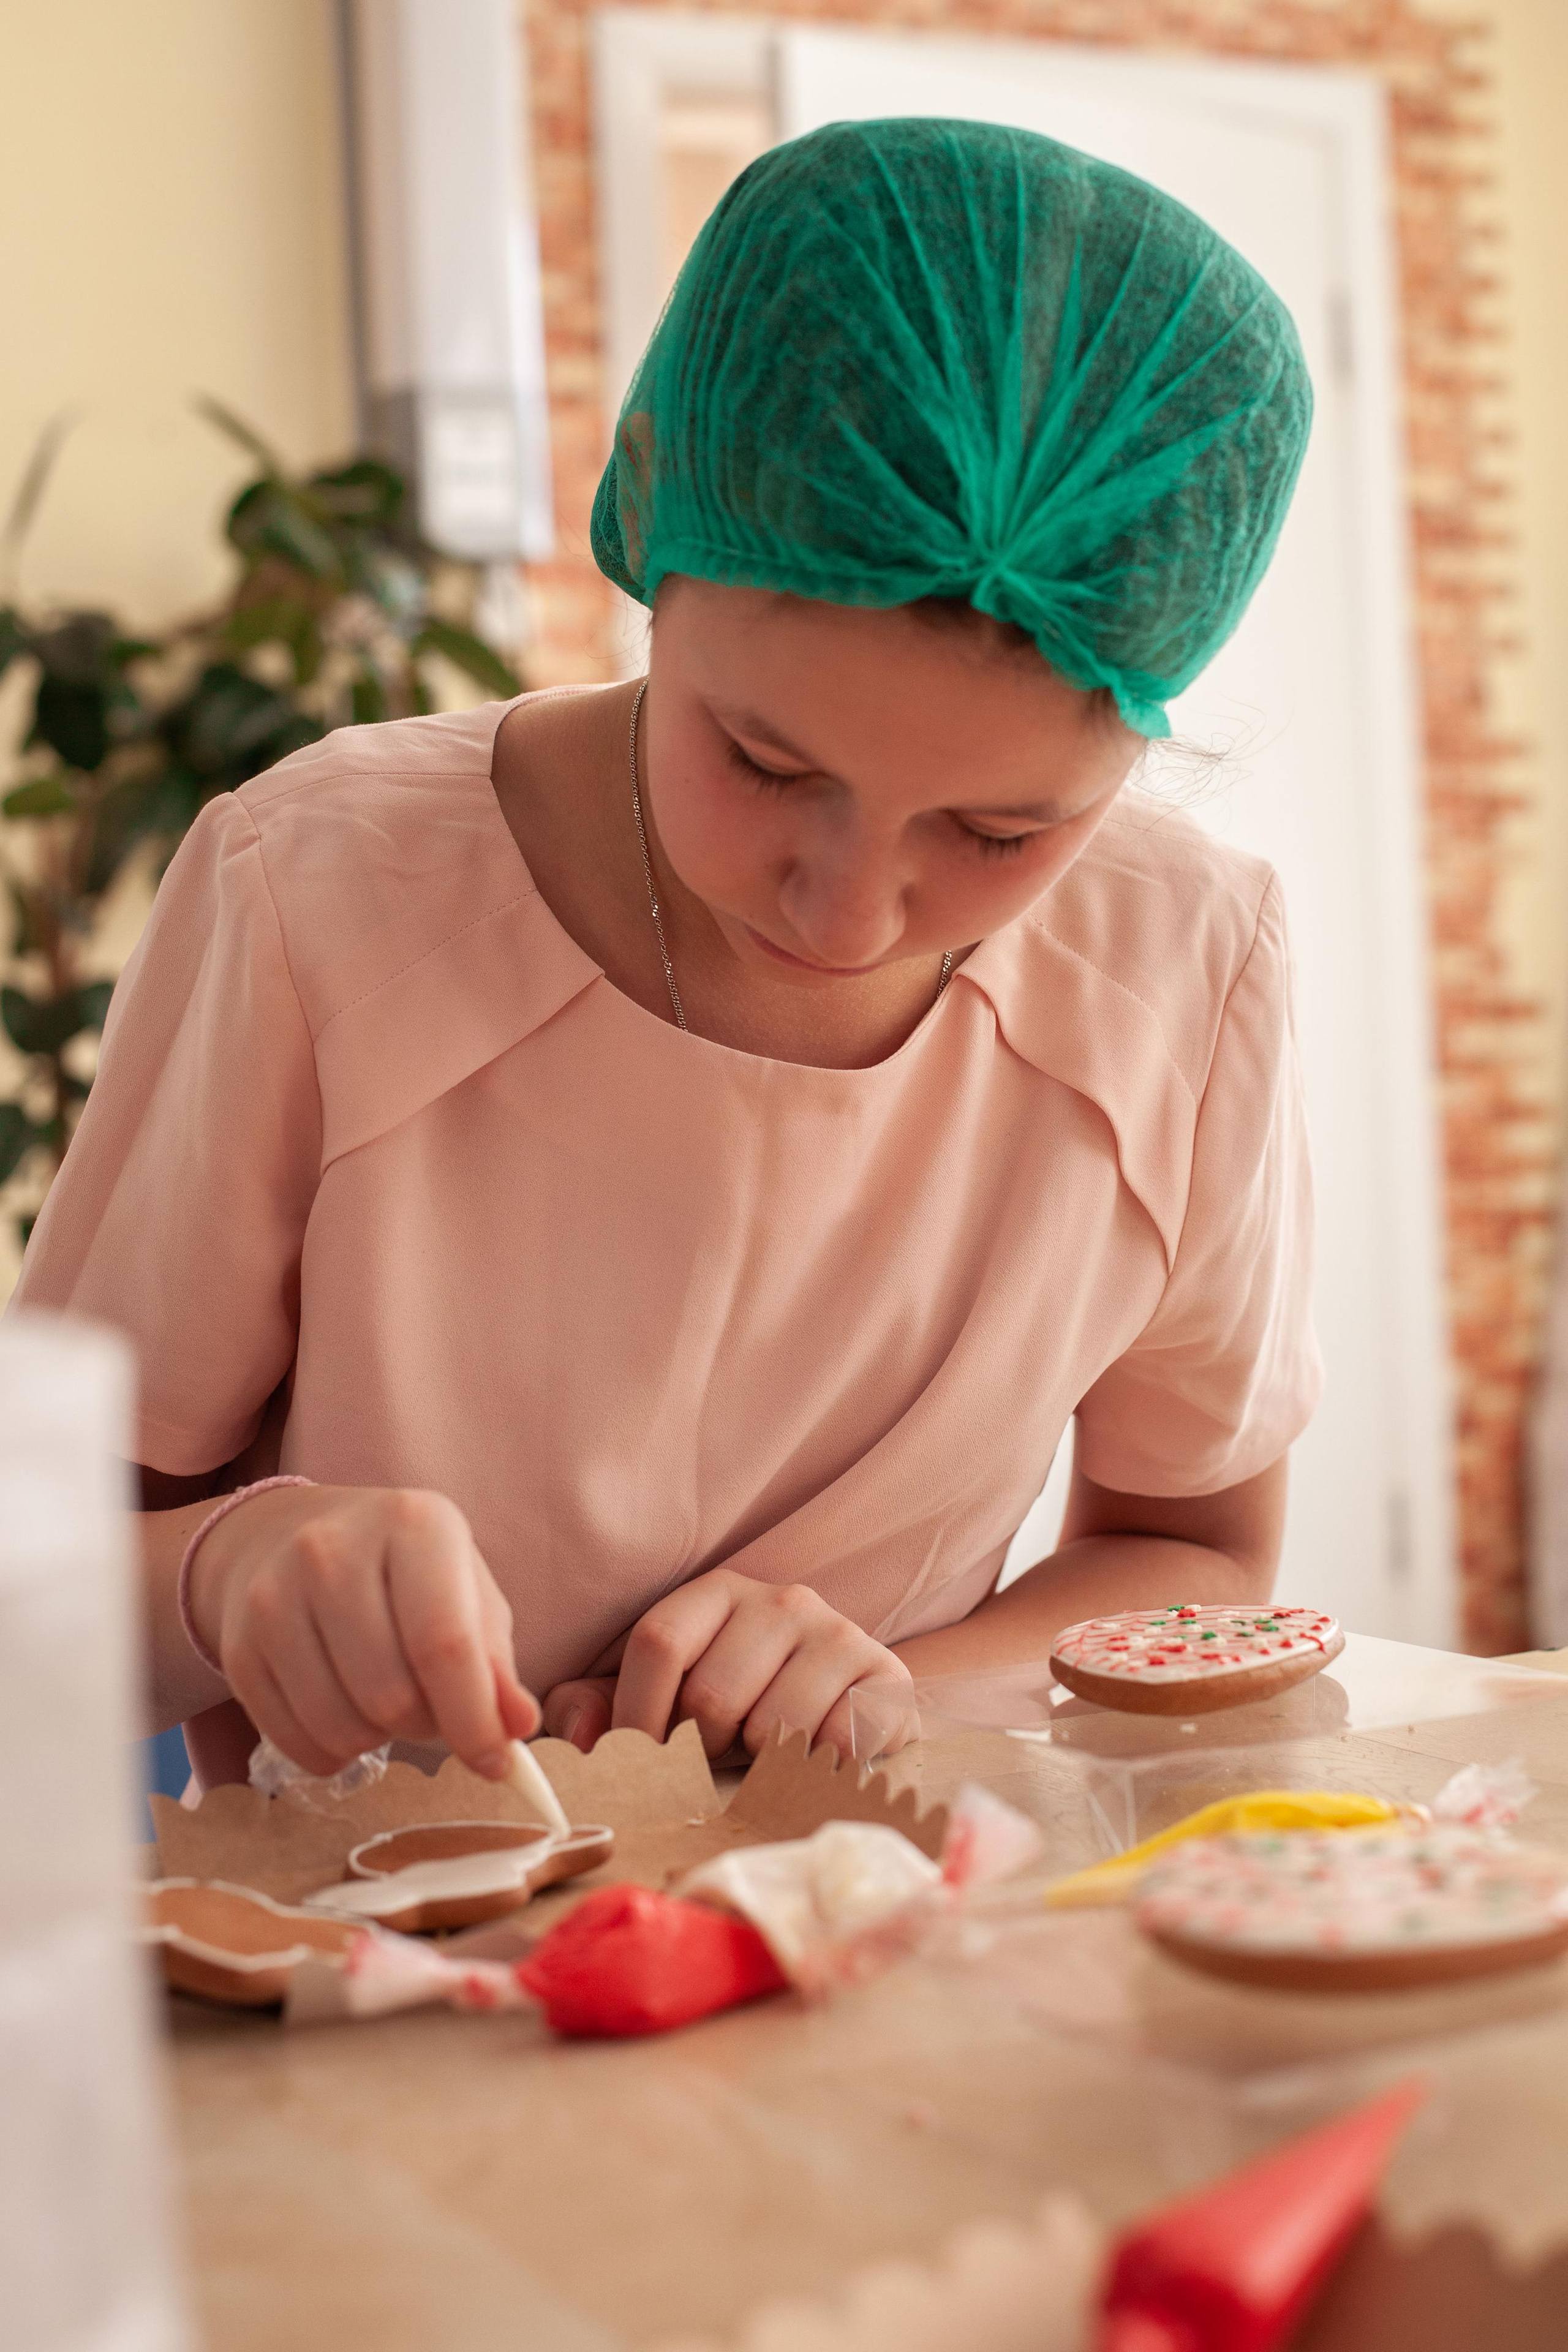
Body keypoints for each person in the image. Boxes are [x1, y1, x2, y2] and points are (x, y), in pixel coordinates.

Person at [12, 118, 1320, 1789]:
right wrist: (227, 1571)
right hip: (370, 1974)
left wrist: (897, 1686)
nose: (845, 915)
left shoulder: (1183, 972)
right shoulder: (322, 892)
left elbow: (1198, 1559)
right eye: (767, 765)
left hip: (887, 1944)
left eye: (1000, 837)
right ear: (644, 516)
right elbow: (41, 1588)